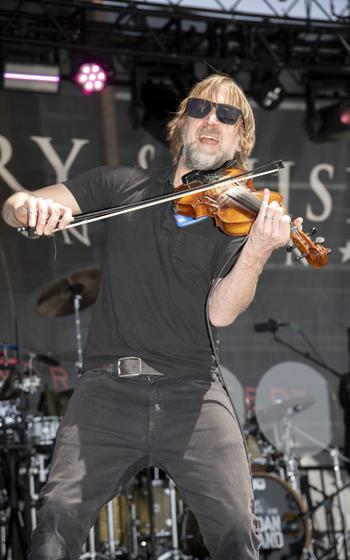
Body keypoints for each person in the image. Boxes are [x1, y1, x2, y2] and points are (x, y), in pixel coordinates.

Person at [2, 73, 297, 560]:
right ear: (181, 125)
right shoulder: (122, 185)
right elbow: (15, 205)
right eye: (201, 109)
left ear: (239, 140)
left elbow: (220, 313)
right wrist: (27, 208)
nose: (211, 120)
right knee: (55, 523)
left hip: (194, 394)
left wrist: (260, 249)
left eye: (228, 115)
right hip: (106, 391)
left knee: (236, 533)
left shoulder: (237, 221)